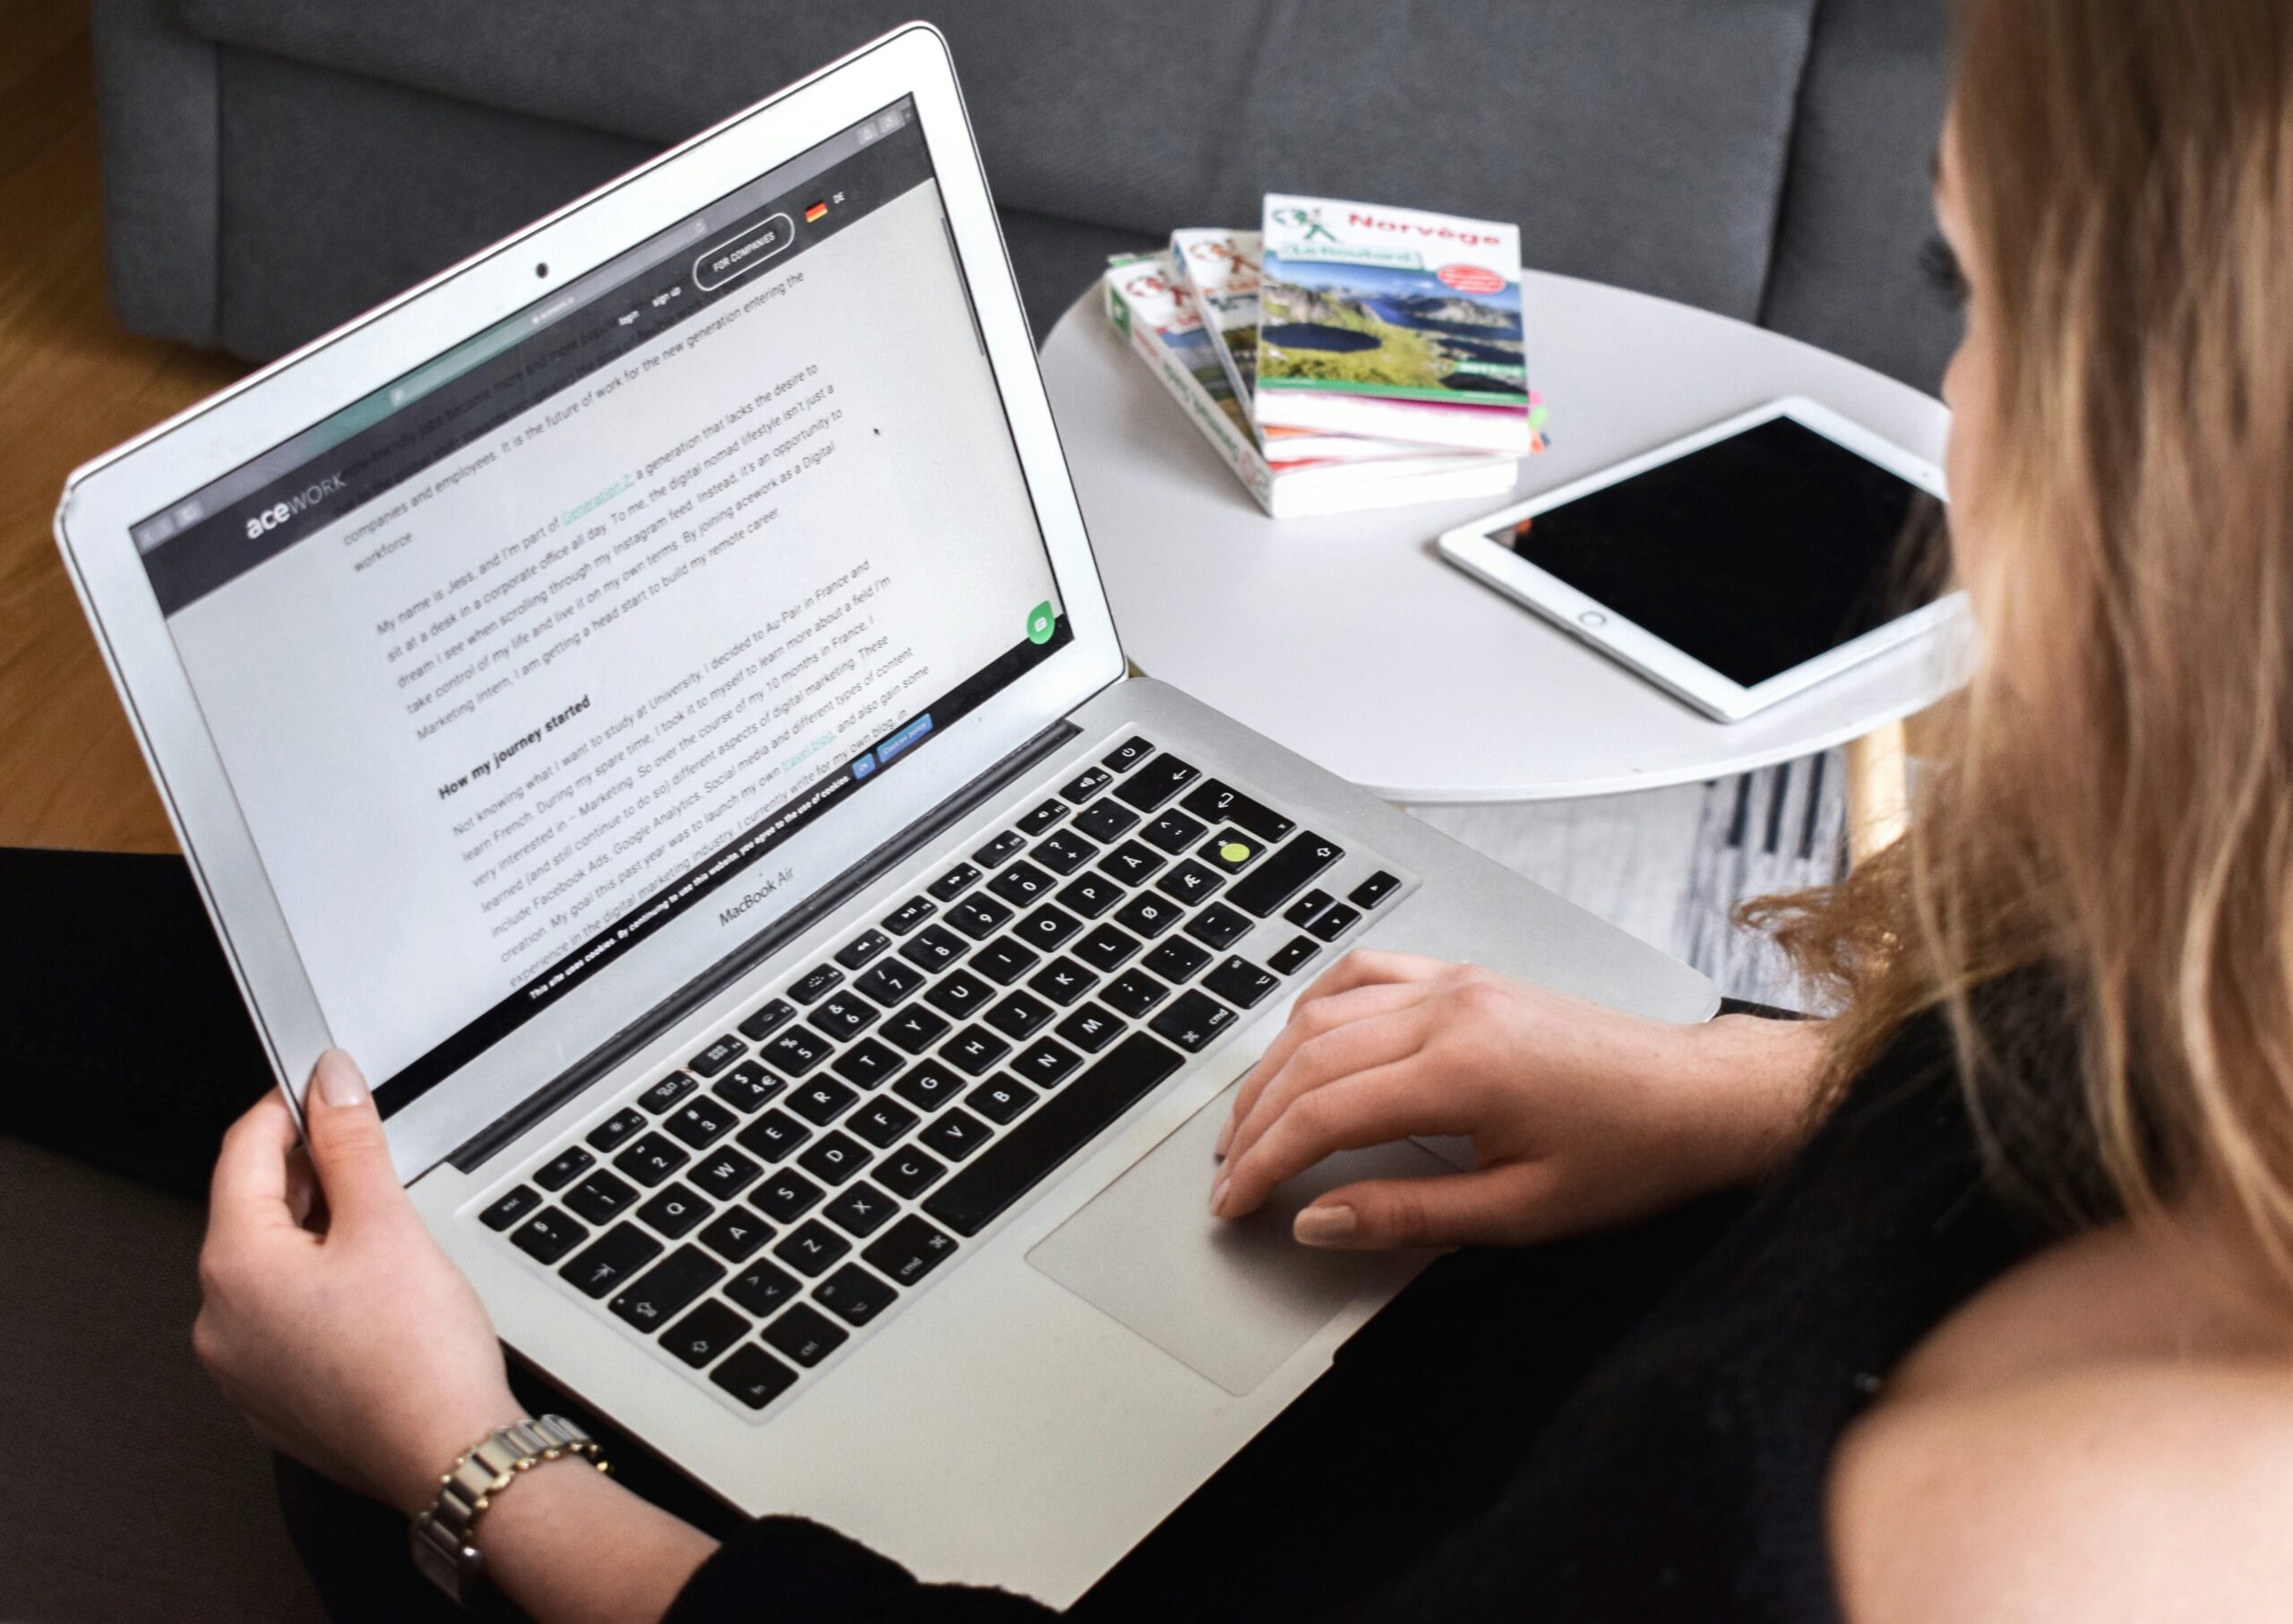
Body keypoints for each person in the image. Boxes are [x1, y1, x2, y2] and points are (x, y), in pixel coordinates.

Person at [189, 1, 2293, 1618]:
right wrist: (1735, 1098)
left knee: (332, 1348)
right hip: (1637, 1301)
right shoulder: (2218, 995)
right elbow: (2075, 1095)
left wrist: (471, 1469)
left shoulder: (1992, 1539)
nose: (1953, 405)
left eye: (1979, 286)